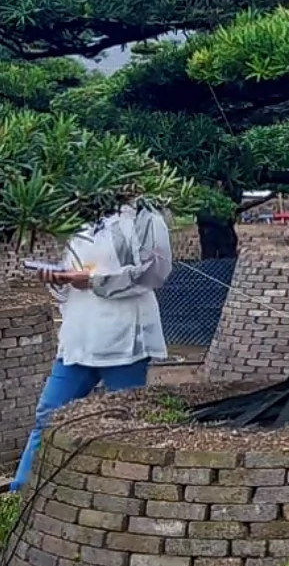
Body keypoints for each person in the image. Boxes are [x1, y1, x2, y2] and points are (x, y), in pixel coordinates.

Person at [11, 198, 173, 492]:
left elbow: (155, 272)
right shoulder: (78, 215)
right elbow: (70, 280)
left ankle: (128, 495)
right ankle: (20, 495)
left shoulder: (143, 215)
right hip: (79, 337)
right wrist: (59, 279)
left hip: (124, 339)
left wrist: (96, 281)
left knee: (127, 422)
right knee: (48, 415)